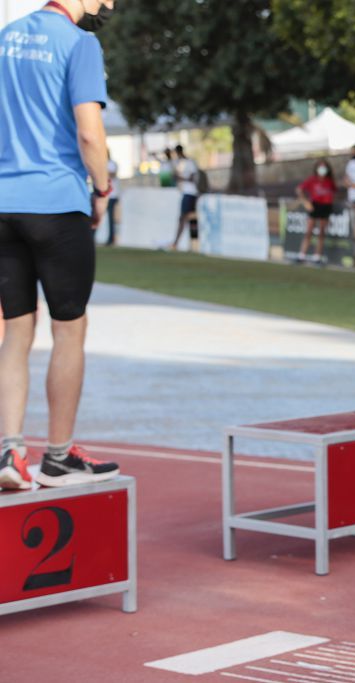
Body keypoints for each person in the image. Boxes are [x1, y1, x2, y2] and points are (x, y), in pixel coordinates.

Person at [0, 0, 120, 490]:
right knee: (69, 329)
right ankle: (57, 457)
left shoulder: (5, 38)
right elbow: (89, 134)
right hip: (56, 202)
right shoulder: (80, 43)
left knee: (15, 331)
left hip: (4, 206)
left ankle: (9, 452)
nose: (109, 4)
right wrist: (104, 190)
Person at [296, 159, 337, 264]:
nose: (322, 170)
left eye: (324, 167)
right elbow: (299, 189)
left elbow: (334, 192)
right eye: (320, 167)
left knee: (321, 232)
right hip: (315, 206)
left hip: (326, 207)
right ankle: (301, 255)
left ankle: (317, 257)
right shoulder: (312, 180)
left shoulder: (329, 181)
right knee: (309, 231)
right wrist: (306, 203)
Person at [171, 144, 199, 251]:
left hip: (190, 193)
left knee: (185, 218)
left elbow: (192, 178)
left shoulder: (189, 162)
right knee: (186, 218)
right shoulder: (180, 163)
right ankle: (189, 243)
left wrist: (180, 178)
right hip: (186, 193)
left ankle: (177, 243)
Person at [105, 148, 118, 246]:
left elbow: (113, 174)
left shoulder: (112, 163)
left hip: (112, 195)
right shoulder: (103, 164)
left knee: (111, 218)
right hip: (104, 195)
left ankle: (111, 239)